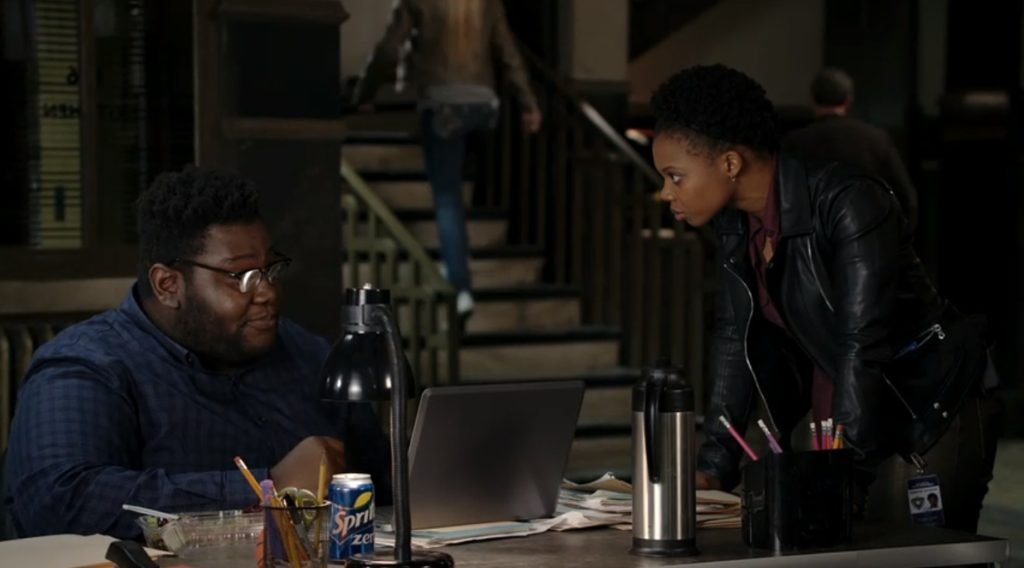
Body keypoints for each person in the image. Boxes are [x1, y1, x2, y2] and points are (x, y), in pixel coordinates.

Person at [650, 64, 999, 532]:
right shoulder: (737, 224)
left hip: (928, 408)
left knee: (915, 553)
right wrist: (714, 465)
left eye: (675, 176)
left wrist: (842, 474)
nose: (665, 193)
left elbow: (862, 343)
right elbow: (734, 343)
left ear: (730, 163)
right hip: (849, 414)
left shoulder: (849, 202)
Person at [4, 167, 390, 539]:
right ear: (168, 285)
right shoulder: (89, 365)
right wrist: (268, 488)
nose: (267, 293)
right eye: (241, 277)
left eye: (270, 270)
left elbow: (386, 484)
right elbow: (57, 501)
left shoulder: (308, 354)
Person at [352, 0, 542, 320]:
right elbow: (508, 53)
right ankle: (456, 255)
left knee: (447, 197)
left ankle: (459, 284)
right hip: (484, 107)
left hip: (443, 106)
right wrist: (528, 104)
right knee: (456, 188)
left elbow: (388, 49)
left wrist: (364, 94)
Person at [783, 67, 919, 230]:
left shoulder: (795, 142)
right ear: (849, 101)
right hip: (865, 232)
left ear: (812, 99)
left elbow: (781, 196)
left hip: (812, 236)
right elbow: (905, 196)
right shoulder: (875, 140)